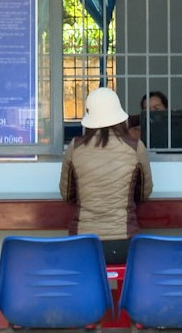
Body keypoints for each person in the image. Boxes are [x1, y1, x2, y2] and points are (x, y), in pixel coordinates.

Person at [59, 87, 153, 264]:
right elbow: (143, 193)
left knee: (87, 276)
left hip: (83, 242)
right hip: (124, 242)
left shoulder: (75, 147)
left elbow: (67, 194)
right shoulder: (135, 146)